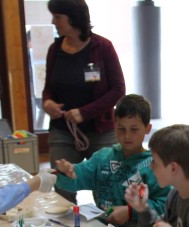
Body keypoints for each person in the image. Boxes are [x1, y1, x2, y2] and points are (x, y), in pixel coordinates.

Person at [42, 0, 126, 204]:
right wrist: (47, 103)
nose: (53, 22)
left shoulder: (102, 47)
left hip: (100, 130)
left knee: (107, 186)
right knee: (62, 185)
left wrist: (84, 112)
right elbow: (48, 88)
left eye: (58, 17)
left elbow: (118, 90)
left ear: (74, 18)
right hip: (63, 130)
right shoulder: (54, 49)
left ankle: (108, 222)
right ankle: (68, 224)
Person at [53, 94, 170, 227]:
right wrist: (67, 172)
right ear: (114, 126)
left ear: (147, 128)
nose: (127, 136)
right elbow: (76, 178)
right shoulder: (103, 158)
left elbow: (166, 205)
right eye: (121, 129)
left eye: (134, 129)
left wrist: (131, 211)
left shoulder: (154, 166)